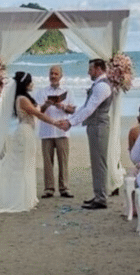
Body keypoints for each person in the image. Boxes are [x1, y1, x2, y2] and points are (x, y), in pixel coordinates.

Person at [0, 71, 62, 213]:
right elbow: (37, 114)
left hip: (29, 132)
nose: (33, 84)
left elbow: (37, 111)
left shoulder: (25, 98)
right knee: (22, 165)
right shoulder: (22, 99)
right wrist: (55, 122)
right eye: (30, 82)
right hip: (24, 133)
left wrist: (46, 105)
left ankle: (28, 197)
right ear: (25, 84)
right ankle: (22, 198)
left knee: (27, 164)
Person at [57, 59, 114, 210]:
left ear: (99, 69)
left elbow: (90, 109)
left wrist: (70, 123)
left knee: (99, 163)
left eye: (91, 69)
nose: (88, 72)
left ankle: (101, 198)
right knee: (96, 163)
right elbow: (85, 107)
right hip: (95, 126)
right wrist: (70, 115)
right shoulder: (99, 85)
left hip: (99, 127)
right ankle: (98, 194)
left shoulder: (102, 86)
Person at [34, 65, 75, 198]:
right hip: (46, 130)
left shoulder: (67, 91)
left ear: (61, 76)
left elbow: (73, 110)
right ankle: (49, 188)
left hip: (62, 130)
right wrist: (47, 104)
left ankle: (64, 188)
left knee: (63, 160)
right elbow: (38, 111)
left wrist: (62, 106)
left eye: (56, 74)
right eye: (51, 74)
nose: (53, 76)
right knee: (47, 161)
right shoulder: (42, 91)